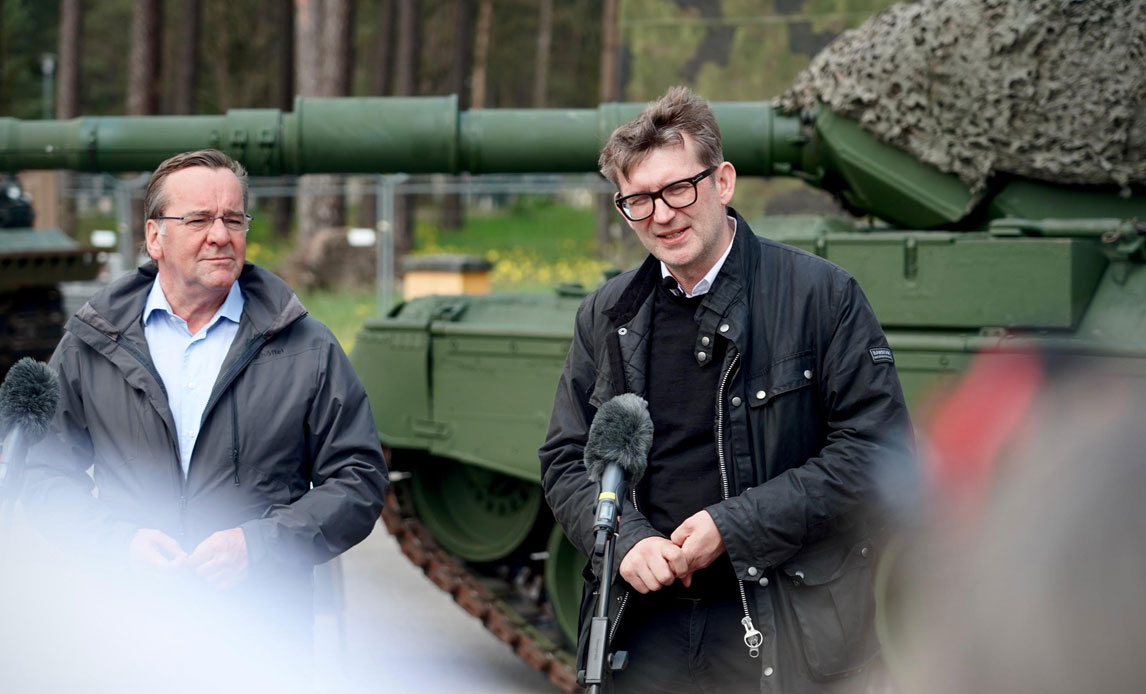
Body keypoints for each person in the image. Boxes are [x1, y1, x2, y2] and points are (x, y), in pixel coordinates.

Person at [539, 87, 913, 693]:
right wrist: (628, 541)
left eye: (677, 189)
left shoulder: (823, 298)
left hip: (782, 619)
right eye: (637, 200)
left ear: (723, 181)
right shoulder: (606, 315)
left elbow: (875, 452)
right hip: (643, 622)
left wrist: (736, 526)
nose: (661, 215)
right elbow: (565, 459)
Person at [19, 149, 388, 683]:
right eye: (198, 219)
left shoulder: (305, 347)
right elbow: (44, 473)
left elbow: (359, 478)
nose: (220, 234)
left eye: (233, 219)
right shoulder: (92, 344)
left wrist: (260, 546)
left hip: (261, 639)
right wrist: (115, 543)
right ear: (154, 237)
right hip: (126, 634)